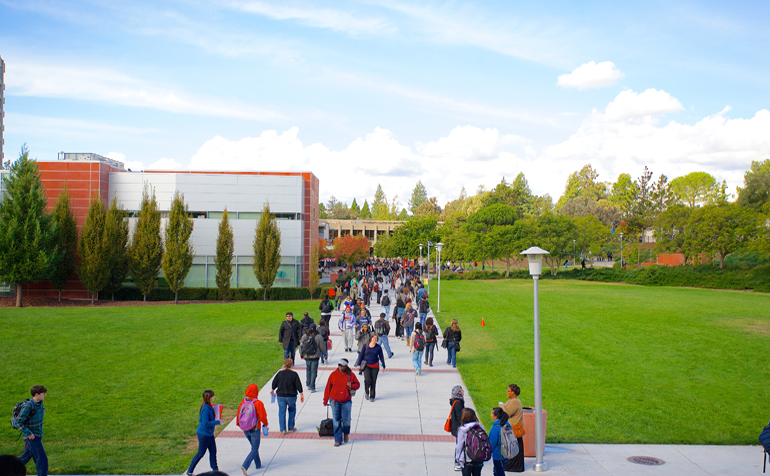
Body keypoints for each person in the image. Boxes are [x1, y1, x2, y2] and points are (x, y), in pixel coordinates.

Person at [323, 358, 361, 447]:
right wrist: (325, 400)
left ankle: (346, 433)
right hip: (334, 401)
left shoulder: (351, 375)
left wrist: (351, 385)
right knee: (336, 420)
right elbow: (328, 388)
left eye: (342, 366)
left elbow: (357, 385)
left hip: (346, 401)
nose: (340, 367)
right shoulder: (333, 374)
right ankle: (338, 439)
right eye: (339, 365)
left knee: (346, 420)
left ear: (346, 366)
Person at [186, 390, 222, 476]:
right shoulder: (205, 409)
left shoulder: (209, 407)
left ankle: (215, 470)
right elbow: (205, 423)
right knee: (200, 453)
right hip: (204, 435)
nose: (214, 397)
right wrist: (217, 422)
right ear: (209, 398)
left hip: (209, 434)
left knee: (213, 451)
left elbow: (201, 420)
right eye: (213, 396)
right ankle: (190, 471)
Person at [236, 384, 268, 475]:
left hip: (245, 429)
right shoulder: (258, 403)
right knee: (254, 448)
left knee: (254, 448)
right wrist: (265, 424)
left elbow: (239, 414)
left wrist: (239, 424)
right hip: (255, 429)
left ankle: (258, 464)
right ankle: (245, 466)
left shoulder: (244, 401)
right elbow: (262, 416)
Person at [16, 385, 48, 476]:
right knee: (42, 460)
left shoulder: (39, 403)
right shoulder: (28, 406)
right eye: (43, 393)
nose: (45, 395)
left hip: (37, 435)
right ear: (36, 394)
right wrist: (29, 433)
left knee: (24, 458)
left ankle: (6, 469)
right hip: (32, 438)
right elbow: (18, 422)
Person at [270, 359, 305, 436]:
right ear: (291, 365)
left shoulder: (280, 373)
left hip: (281, 396)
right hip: (291, 396)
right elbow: (298, 385)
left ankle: (283, 429)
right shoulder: (294, 374)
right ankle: (291, 426)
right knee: (292, 410)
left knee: (281, 412)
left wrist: (272, 389)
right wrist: (301, 393)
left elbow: (274, 382)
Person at [500, 384, 525, 472]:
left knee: (514, 448)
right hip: (513, 429)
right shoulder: (512, 400)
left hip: (515, 429)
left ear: (514, 393)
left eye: (508, 391)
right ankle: (513, 465)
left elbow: (506, 413)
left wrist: (501, 407)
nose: (507, 393)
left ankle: (515, 466)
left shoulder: (515, 402)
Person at [355, 334, 386, 401]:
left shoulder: (378, 347)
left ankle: (372, 396)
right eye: (373, 338)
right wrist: (358, 364)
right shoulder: (366, 346)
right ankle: (366, 391)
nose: (375, 339)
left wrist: (383, 365)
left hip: (375, 366)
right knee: (367, 380)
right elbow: (361, 355)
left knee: (373, 381)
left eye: (376, 338)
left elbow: (381, 357)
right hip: (367, 365)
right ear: (371, 338)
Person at [455, 408, 485, 476]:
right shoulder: (480, 427)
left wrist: (457, 458)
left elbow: (459, 445)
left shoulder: (462, 429)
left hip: (467, 458)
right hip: (478, 457)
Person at [300, 324, 327, 392]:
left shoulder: (305, 336)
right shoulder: (318, 337)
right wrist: (324, 354)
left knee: (308, 370)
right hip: (315, 356)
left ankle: (308, 384)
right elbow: (322, 346)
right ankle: (312, 386)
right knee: (313, 371)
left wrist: (301, 354)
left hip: (307, 356)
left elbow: (301, 346)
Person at [489, 408, 511, 476]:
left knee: (499, 473)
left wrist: (488, 453)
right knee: (498, 472)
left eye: (492, 413)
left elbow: (491, 443)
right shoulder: (507, 425)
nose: (491, 415)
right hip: (507, 453)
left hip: (498, 455)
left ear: (496, 416)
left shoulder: (495, 428)